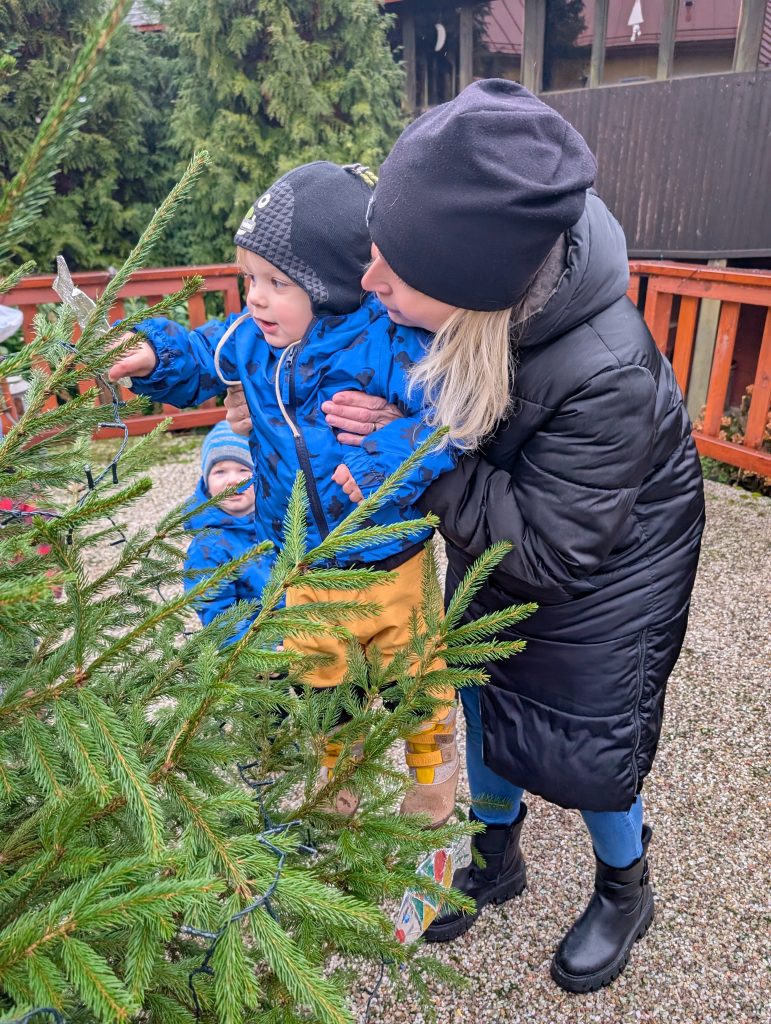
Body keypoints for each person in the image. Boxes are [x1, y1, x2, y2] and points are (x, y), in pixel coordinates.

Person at [226, 81, 705, 992]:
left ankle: (624, 887)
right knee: (480, 694)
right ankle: (495, 853)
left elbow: (551, 550)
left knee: (587, 742)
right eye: (372, 255)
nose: (368, 285)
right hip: (506, 538)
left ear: (467, 290)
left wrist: (417, 461)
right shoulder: (487, 301)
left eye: (392, 274)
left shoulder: (605, 372)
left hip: (608, 574)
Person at [107, 161, 460, 826]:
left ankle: (432, 775)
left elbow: (450, 415)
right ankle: (338, 785)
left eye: (277, 283)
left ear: (329, 285)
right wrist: (153, 354)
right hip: (303, 565)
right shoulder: (250, 342)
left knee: (416, 676)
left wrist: (386, 456)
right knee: (324, 685)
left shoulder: (387, 343)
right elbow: (200, 355)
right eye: (250, 280)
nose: (256, 300)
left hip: (390, 560)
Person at [183, 420, 270, 640]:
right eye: (220, 471)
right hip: (261, 647)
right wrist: (258, 648)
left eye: (243, 469)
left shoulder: (279, 522)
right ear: (206, 482)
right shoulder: (208, 546)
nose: (232, 480)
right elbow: (218, 616)